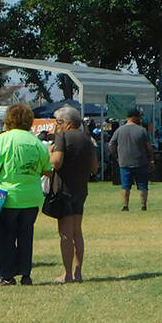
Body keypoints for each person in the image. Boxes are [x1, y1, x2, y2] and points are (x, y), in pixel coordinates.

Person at [0, 103, 51, 286]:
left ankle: (7, 275)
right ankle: (25, 274)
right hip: (31, 198)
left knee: (5, 238)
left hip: (8, 197)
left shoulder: (4, 139)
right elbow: (47, 170)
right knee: (25, 236)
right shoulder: (35, 141)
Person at [49, 105, 97, 284]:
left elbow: (57, 162)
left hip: (64, 190)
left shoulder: (62, 137)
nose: (57, 126)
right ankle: (78, 272)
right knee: (77, 232)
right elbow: (94, 168)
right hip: (81, 190)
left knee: (66, 234)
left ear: (65, 123)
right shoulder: (88, 139)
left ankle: (67, 274)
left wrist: (49, 153)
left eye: (58, 122)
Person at [109, 108, 154, 212]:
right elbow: (149, 147)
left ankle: (125, 206)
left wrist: (117, 156)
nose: (140, 119)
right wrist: (151, 160)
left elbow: (111, 145)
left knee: (125, 186)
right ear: (134, 117)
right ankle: (143, 206)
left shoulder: (119, 130)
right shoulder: (142, 130)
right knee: (143, 186)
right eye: (139, 117)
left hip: (124, 163)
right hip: (141, 162)